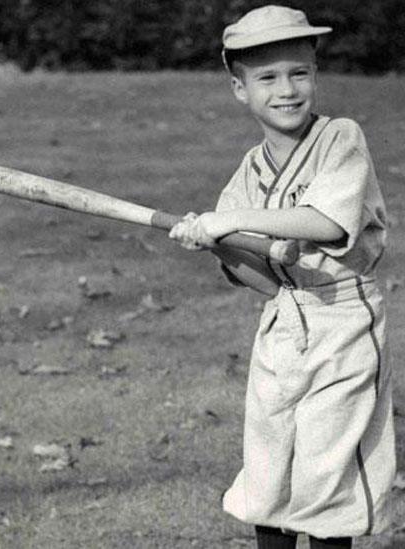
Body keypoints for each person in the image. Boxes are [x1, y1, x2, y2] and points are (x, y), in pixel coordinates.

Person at [168, 6, 394, 549]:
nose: (286, 89)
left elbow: (324, 221)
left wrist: (235, 221)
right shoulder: (249, 170)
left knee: (326, 472)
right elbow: (263, 281)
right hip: (284, 320)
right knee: (269, 465)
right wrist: (215, 243)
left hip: (344, 320)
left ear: (316, 76)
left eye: (299, 73)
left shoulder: (340, 138)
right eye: (266, 78)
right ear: (240, 89)